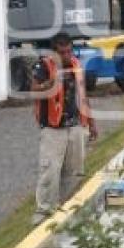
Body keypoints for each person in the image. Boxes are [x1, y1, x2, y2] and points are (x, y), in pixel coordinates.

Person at [30, 32, 98, 225]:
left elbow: (83, 96)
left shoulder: (76, 65)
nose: (67, 56)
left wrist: (91, 123)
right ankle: (44, 210)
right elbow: (34, 90)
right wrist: (48, 85)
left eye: (69, 51)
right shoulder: (43, 66)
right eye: (63, 52)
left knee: (74, 171)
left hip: (75, 126)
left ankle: (69, 210)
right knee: (50, 170)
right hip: (53, 129)